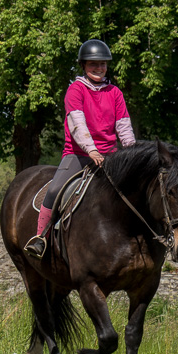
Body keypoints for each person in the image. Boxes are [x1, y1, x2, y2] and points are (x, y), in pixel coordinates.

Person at [24, 39, 135, 258]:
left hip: (111, 156)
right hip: (80, 155)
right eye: (93, 64)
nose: (99, 68)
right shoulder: (76, 90)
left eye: (102, 64)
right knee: (55, 190)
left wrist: (132, 153)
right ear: (83, 65)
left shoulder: (115, 93)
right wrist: (91, 150)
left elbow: (124, 126)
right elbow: (77, 123)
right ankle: (41, 237)